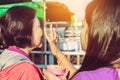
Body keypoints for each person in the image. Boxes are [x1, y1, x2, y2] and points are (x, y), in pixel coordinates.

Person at [43, 0, 120, 80]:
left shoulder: (86, 77)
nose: (81, 33)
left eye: (83, 26)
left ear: (96, 32)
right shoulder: (113, 72)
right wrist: (56, 51)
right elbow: (77, 74)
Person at [0, 6, 44, 80]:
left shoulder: (5, 56)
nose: (41, 32)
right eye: (38, 27)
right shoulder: (28, 70)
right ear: (26, 33)